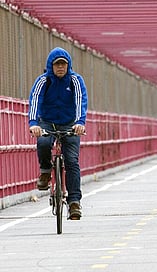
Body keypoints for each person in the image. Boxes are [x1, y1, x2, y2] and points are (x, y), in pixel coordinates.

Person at [28, 47, 88, 220]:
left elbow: (80, 101)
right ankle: (46, 171)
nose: (60, 67)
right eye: (57, 65)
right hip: (48, 121)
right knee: (44, 142)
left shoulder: (75, 80)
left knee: (71, 161)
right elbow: (35, 101)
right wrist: (33, 124)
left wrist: (79, 123)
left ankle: (74, 202)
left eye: (63, 64)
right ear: (50, 66)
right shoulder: (43, 81)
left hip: (70, 123)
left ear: (68, 65)